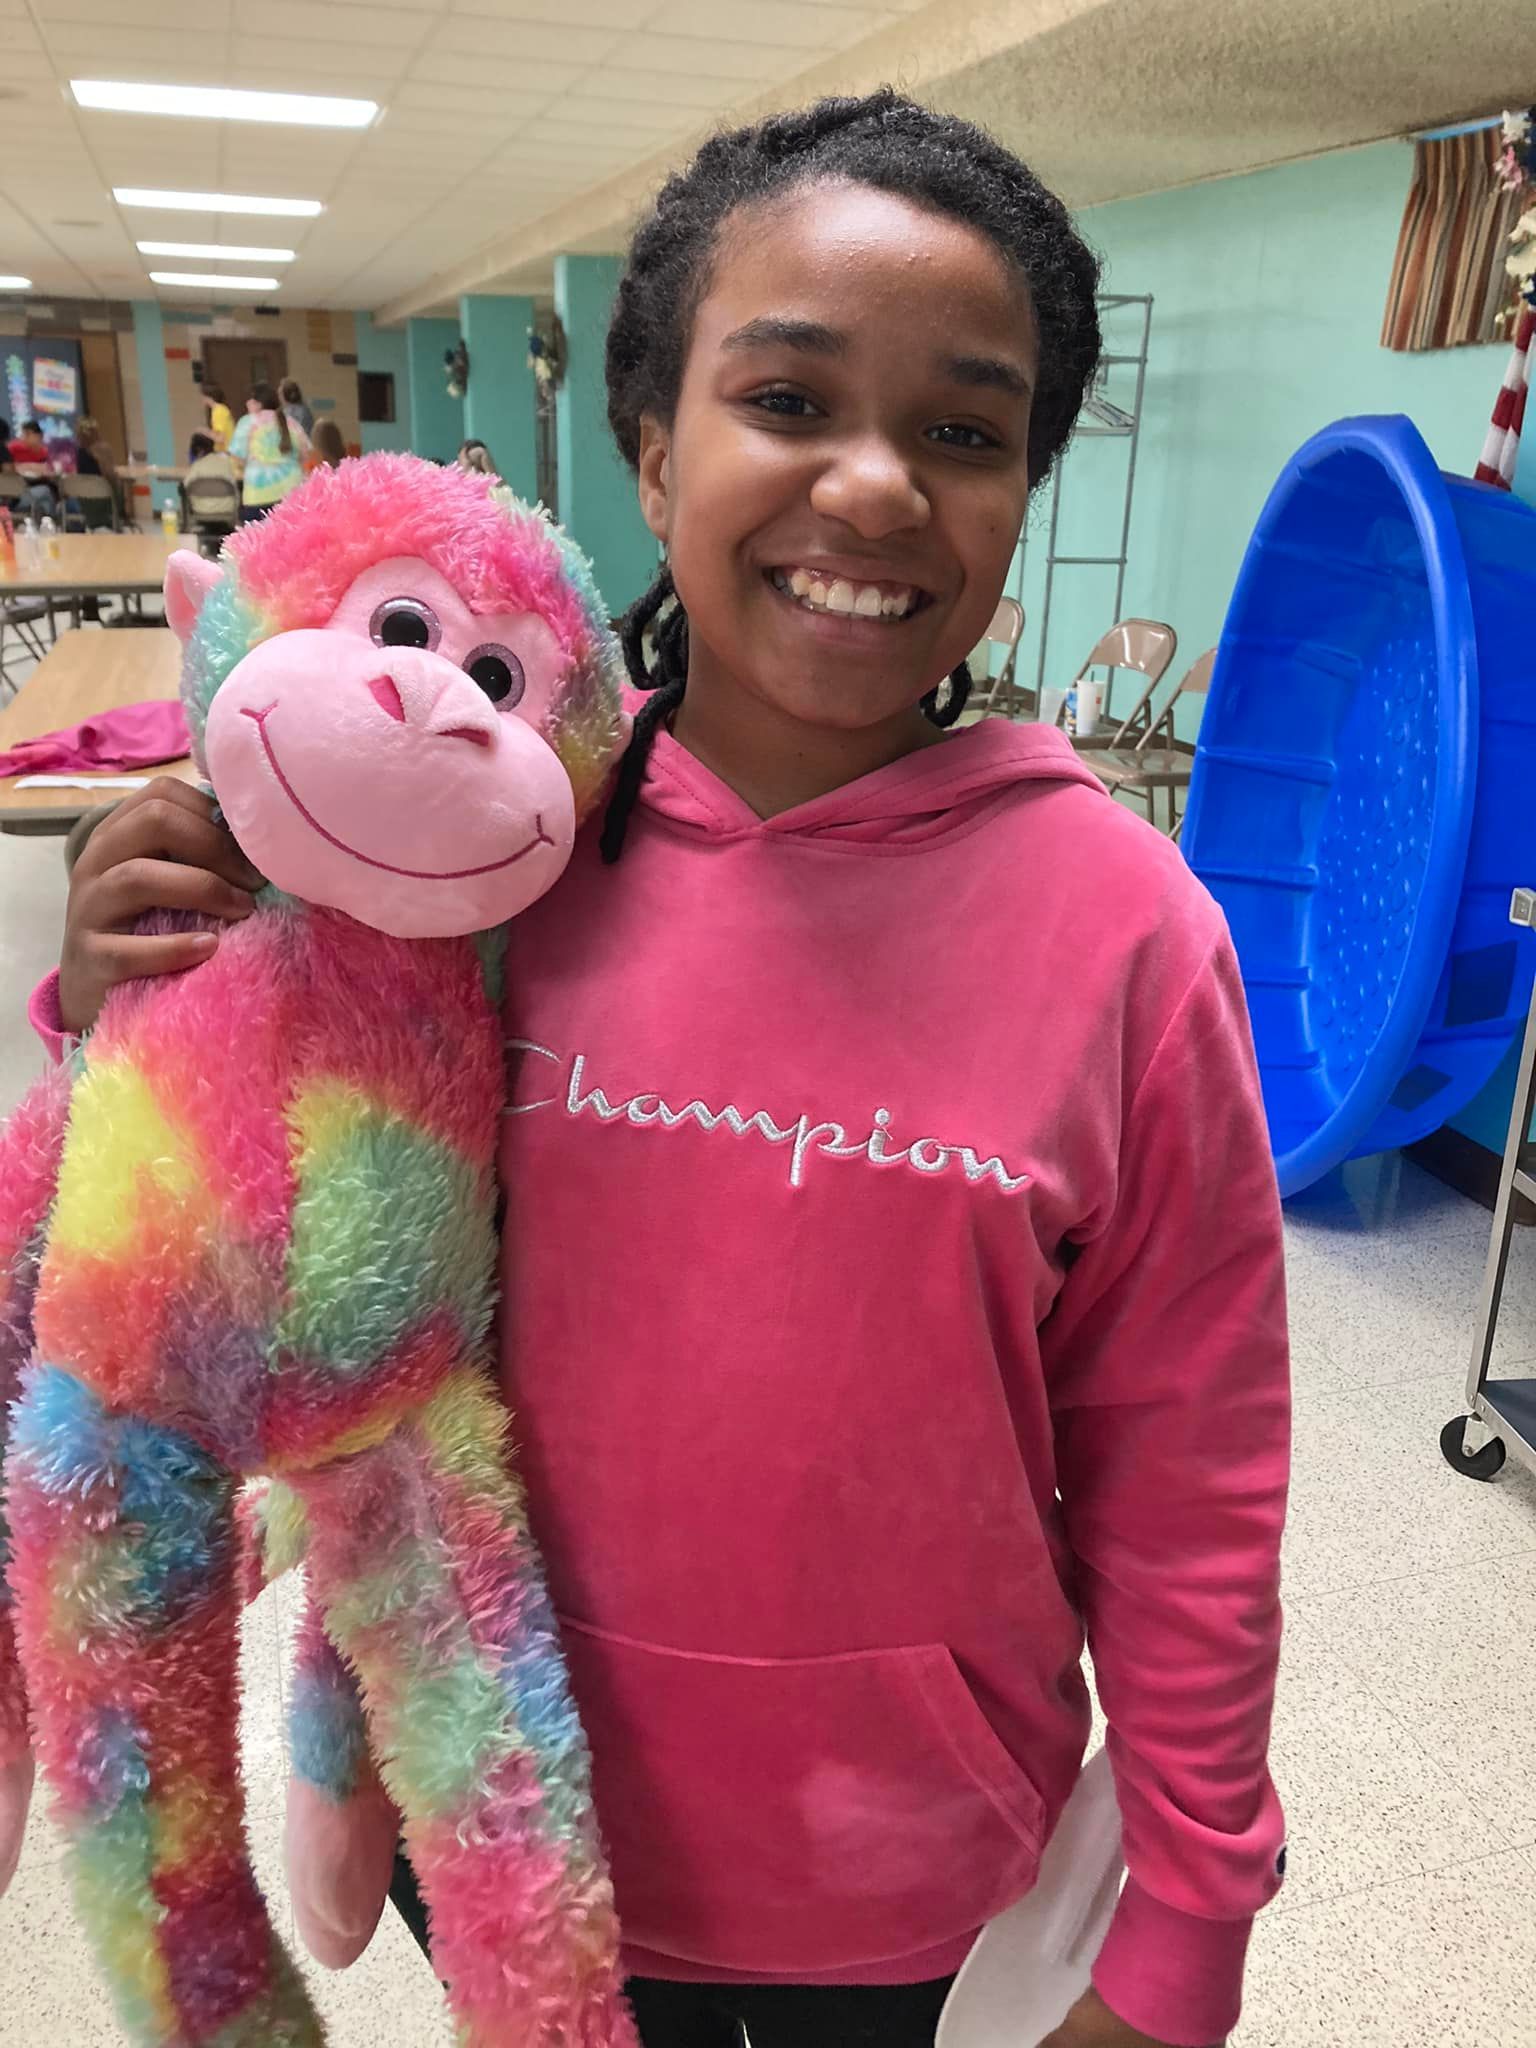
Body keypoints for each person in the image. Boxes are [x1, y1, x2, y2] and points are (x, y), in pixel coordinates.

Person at [34, 92, 1288, 2048]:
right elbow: (228, 1229)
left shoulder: (1127, 933)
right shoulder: (463, 860)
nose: (874, 483)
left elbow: (1191, 1465)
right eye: (787, 398)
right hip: (511, 1827)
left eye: (966, 433)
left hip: (921, 1882)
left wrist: (1194, 1909)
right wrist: (130, 987)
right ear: (649, 445)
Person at [227, 380, 309, 523]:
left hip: (258, 493)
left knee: (258, 536)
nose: (247, 404)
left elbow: (236, 456)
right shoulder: (291, 422)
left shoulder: (247, 422)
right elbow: (305, 455)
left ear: (258, 403)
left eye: (249, 401)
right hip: (293, 492)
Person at [5, 419, 56, 517]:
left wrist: (30, 467)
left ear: (39, 436)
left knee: (48, 496)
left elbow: (49, 471)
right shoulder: (14, 448)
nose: (24, 437)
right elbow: (11, 468)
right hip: (18, 492)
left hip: (38, 487)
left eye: (28, 434)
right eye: (23, 434)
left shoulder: (44, 452)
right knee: (45, 492)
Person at [202, 383, 235, 451]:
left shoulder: (219, 411)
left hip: (226, 452)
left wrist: (205, 432)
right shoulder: (218, 409)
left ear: (209, 396)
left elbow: (220, 438)